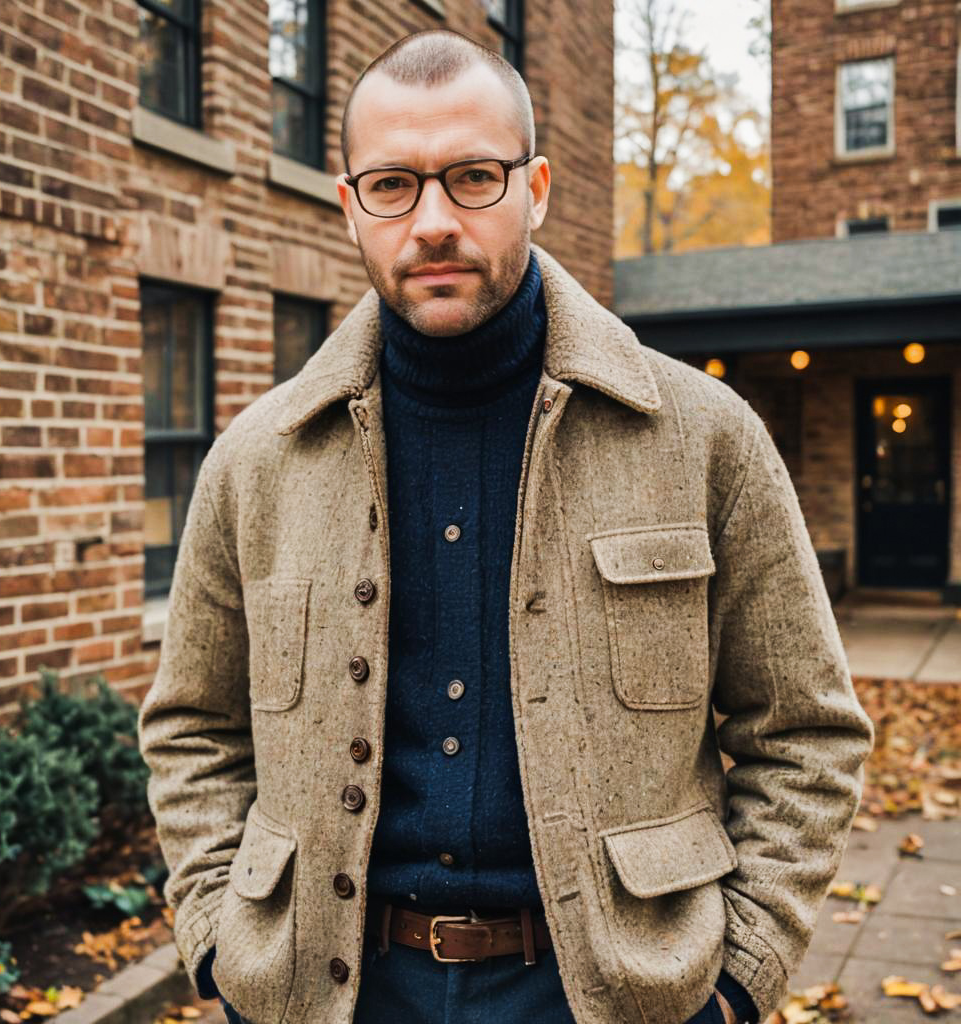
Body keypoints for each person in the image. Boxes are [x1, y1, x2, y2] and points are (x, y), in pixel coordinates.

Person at [138, 28, 874, 1024]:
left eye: (472, 177)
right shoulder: (256, 460)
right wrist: (222, 949)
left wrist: (736, 977)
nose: (433, 220)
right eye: (394, 184)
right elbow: (193, 726)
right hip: (329, 995)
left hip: (612, 997)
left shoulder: (703, 439)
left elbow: (805, 734)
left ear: (534, 188)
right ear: (350, 204)